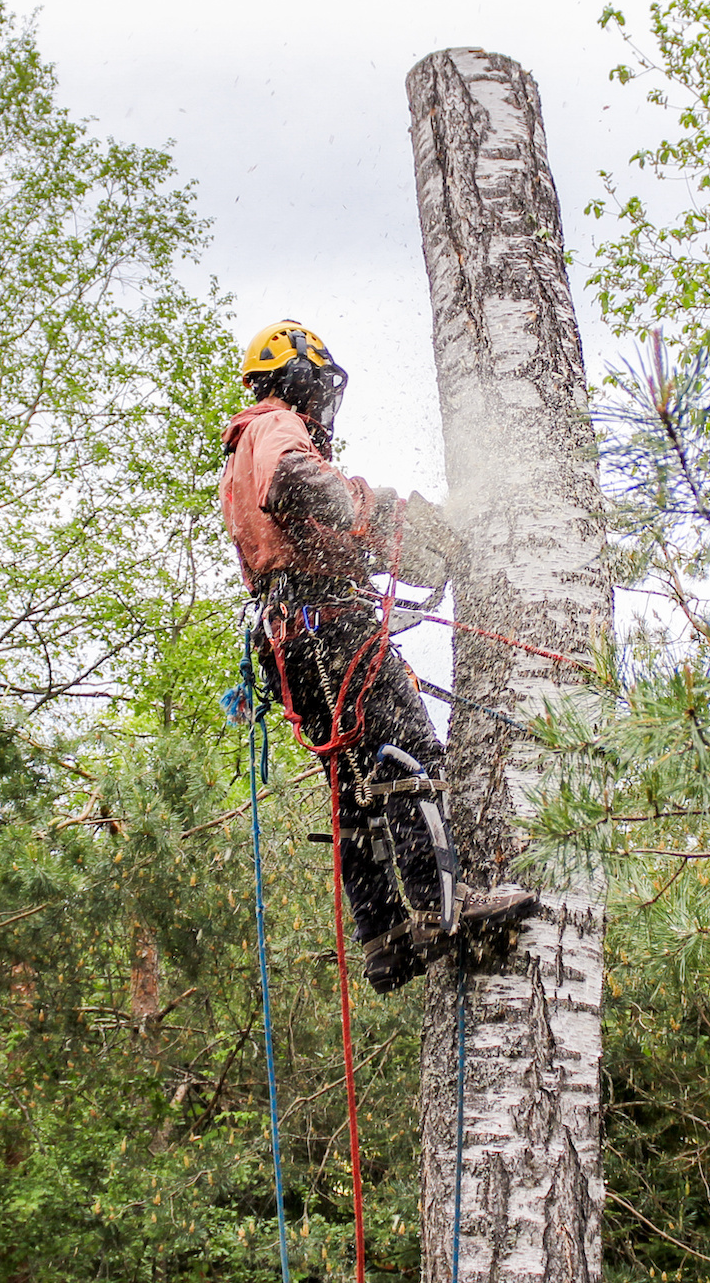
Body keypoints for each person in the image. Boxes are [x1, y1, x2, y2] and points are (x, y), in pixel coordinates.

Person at [220, 320, 536, 992]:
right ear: (297, 374)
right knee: (409, 747)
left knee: (355, 787)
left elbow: (309, 526)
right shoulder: (274, 426)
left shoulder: (241, 448)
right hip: (329, 628)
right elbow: (296, 481)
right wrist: (369, 505)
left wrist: (391, 537)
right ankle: (441, 907)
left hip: (293, 641)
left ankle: (385, 936)